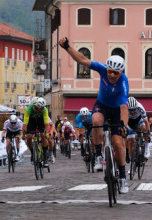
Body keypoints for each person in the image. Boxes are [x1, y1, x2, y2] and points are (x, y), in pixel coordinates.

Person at [59, 36, 130, 194]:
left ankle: (123, 178)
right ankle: (98, 155)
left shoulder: (123, 82)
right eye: (110, 71)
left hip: (117, 110)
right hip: (102, 106)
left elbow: (124, 107)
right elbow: (83, 60)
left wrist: (124, 126)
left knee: (118, 144)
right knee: (96, 120)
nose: (112, 75)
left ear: (121, 72)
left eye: (116, 73)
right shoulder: (102, 69)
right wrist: (67, 47)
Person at [125, 97, 150, 174]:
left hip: (139, 120)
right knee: (130, 141)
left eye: (133, 110)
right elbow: (123, 122)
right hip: (129, 122)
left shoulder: (140, 107)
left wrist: (147, 133)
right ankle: (132, 161)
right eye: (130, 110)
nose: (132, 112)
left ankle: (146, 148)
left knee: (144, 129)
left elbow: (146, 122)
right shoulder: (124, 108)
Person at [23, 97, 50, 167]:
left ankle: (45, 158)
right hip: (32, 121)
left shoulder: (45, 110)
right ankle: (32, 152)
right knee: (29, 137)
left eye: (43, 107)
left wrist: (46, 133)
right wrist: (24, 133)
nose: (42, 109)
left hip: (41, 120)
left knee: (43, 136)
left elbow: (47, 124)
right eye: (41, 108)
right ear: (36, 107)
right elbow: (25, 123)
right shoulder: (28, 109)